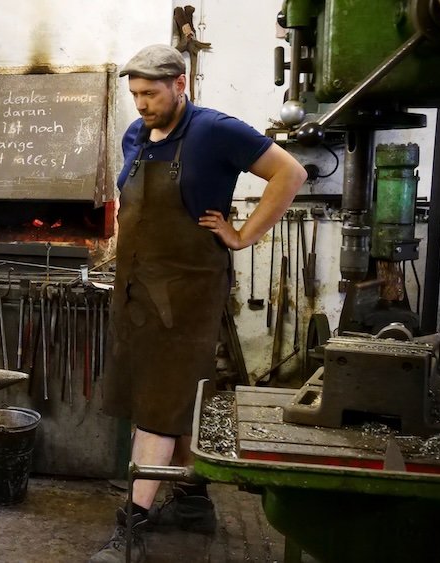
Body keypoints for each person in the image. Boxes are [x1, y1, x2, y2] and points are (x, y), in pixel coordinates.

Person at [90, 45, 306, 563]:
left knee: (159, 407)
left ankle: (131, 527)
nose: (141, 104)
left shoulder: (215, 131)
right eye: (135, 94)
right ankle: (191, 501)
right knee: (166, 396)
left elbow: (290, 174)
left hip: (186, 294)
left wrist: (243, 234)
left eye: (151, 94)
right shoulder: (137, 136)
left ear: (180, 85)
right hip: (137, 291)